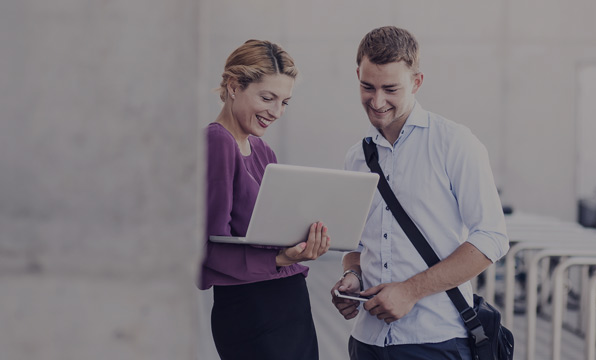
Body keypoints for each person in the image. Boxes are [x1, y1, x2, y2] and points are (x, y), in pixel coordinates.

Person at [330, 26, 509, 360]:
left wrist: (410, 291)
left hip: (436, 341)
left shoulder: (455, 143)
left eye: (391, 89)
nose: (377, 101)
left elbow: (492, 238)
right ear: (357, 74)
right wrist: (351, 276)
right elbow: (355, 244)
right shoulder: (356, 156)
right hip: (366, 341)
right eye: (367, 86)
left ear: (416, 82)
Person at [199, 39, 331, 360]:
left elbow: (272, 232)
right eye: (267, 97)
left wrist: (303, 244)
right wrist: (281, 259)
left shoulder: (262, 150)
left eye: (284, 102)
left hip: (288, 304)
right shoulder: (217, 142)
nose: (275, 112)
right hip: (252, 309)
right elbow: (207, 248)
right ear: (233, 87)